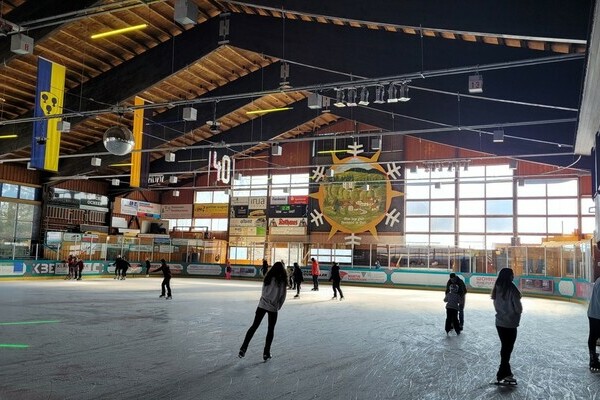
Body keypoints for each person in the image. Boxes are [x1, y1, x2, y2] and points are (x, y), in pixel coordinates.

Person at [239, 261, 287, 361]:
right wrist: (278, 306)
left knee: (254, 326)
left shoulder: (268, 278)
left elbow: (263, 291)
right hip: (273, 307)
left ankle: (243, 348)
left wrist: (263, 301)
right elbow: (283, 296)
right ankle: (266, 353)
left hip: (262, 305)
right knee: (270, 330)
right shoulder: (282, 281)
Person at [491, 267, 522, 385]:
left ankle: (504, 373)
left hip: (499, 322)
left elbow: (496, 304)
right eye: (512, 274)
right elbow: (518, 307)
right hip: (510, 322)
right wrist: (517, 312)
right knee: (507, 348)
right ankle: (503, 373)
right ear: (509, 276)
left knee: (505, 347)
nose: (513, 276)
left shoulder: (497, 288)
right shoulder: (512, 288)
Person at [587, 274, 600, 371]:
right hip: (596, 314)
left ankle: (593, 357)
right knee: (594, 336)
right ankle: (593, 359)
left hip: (594, 313)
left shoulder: (598, 280)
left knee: (594, 336)